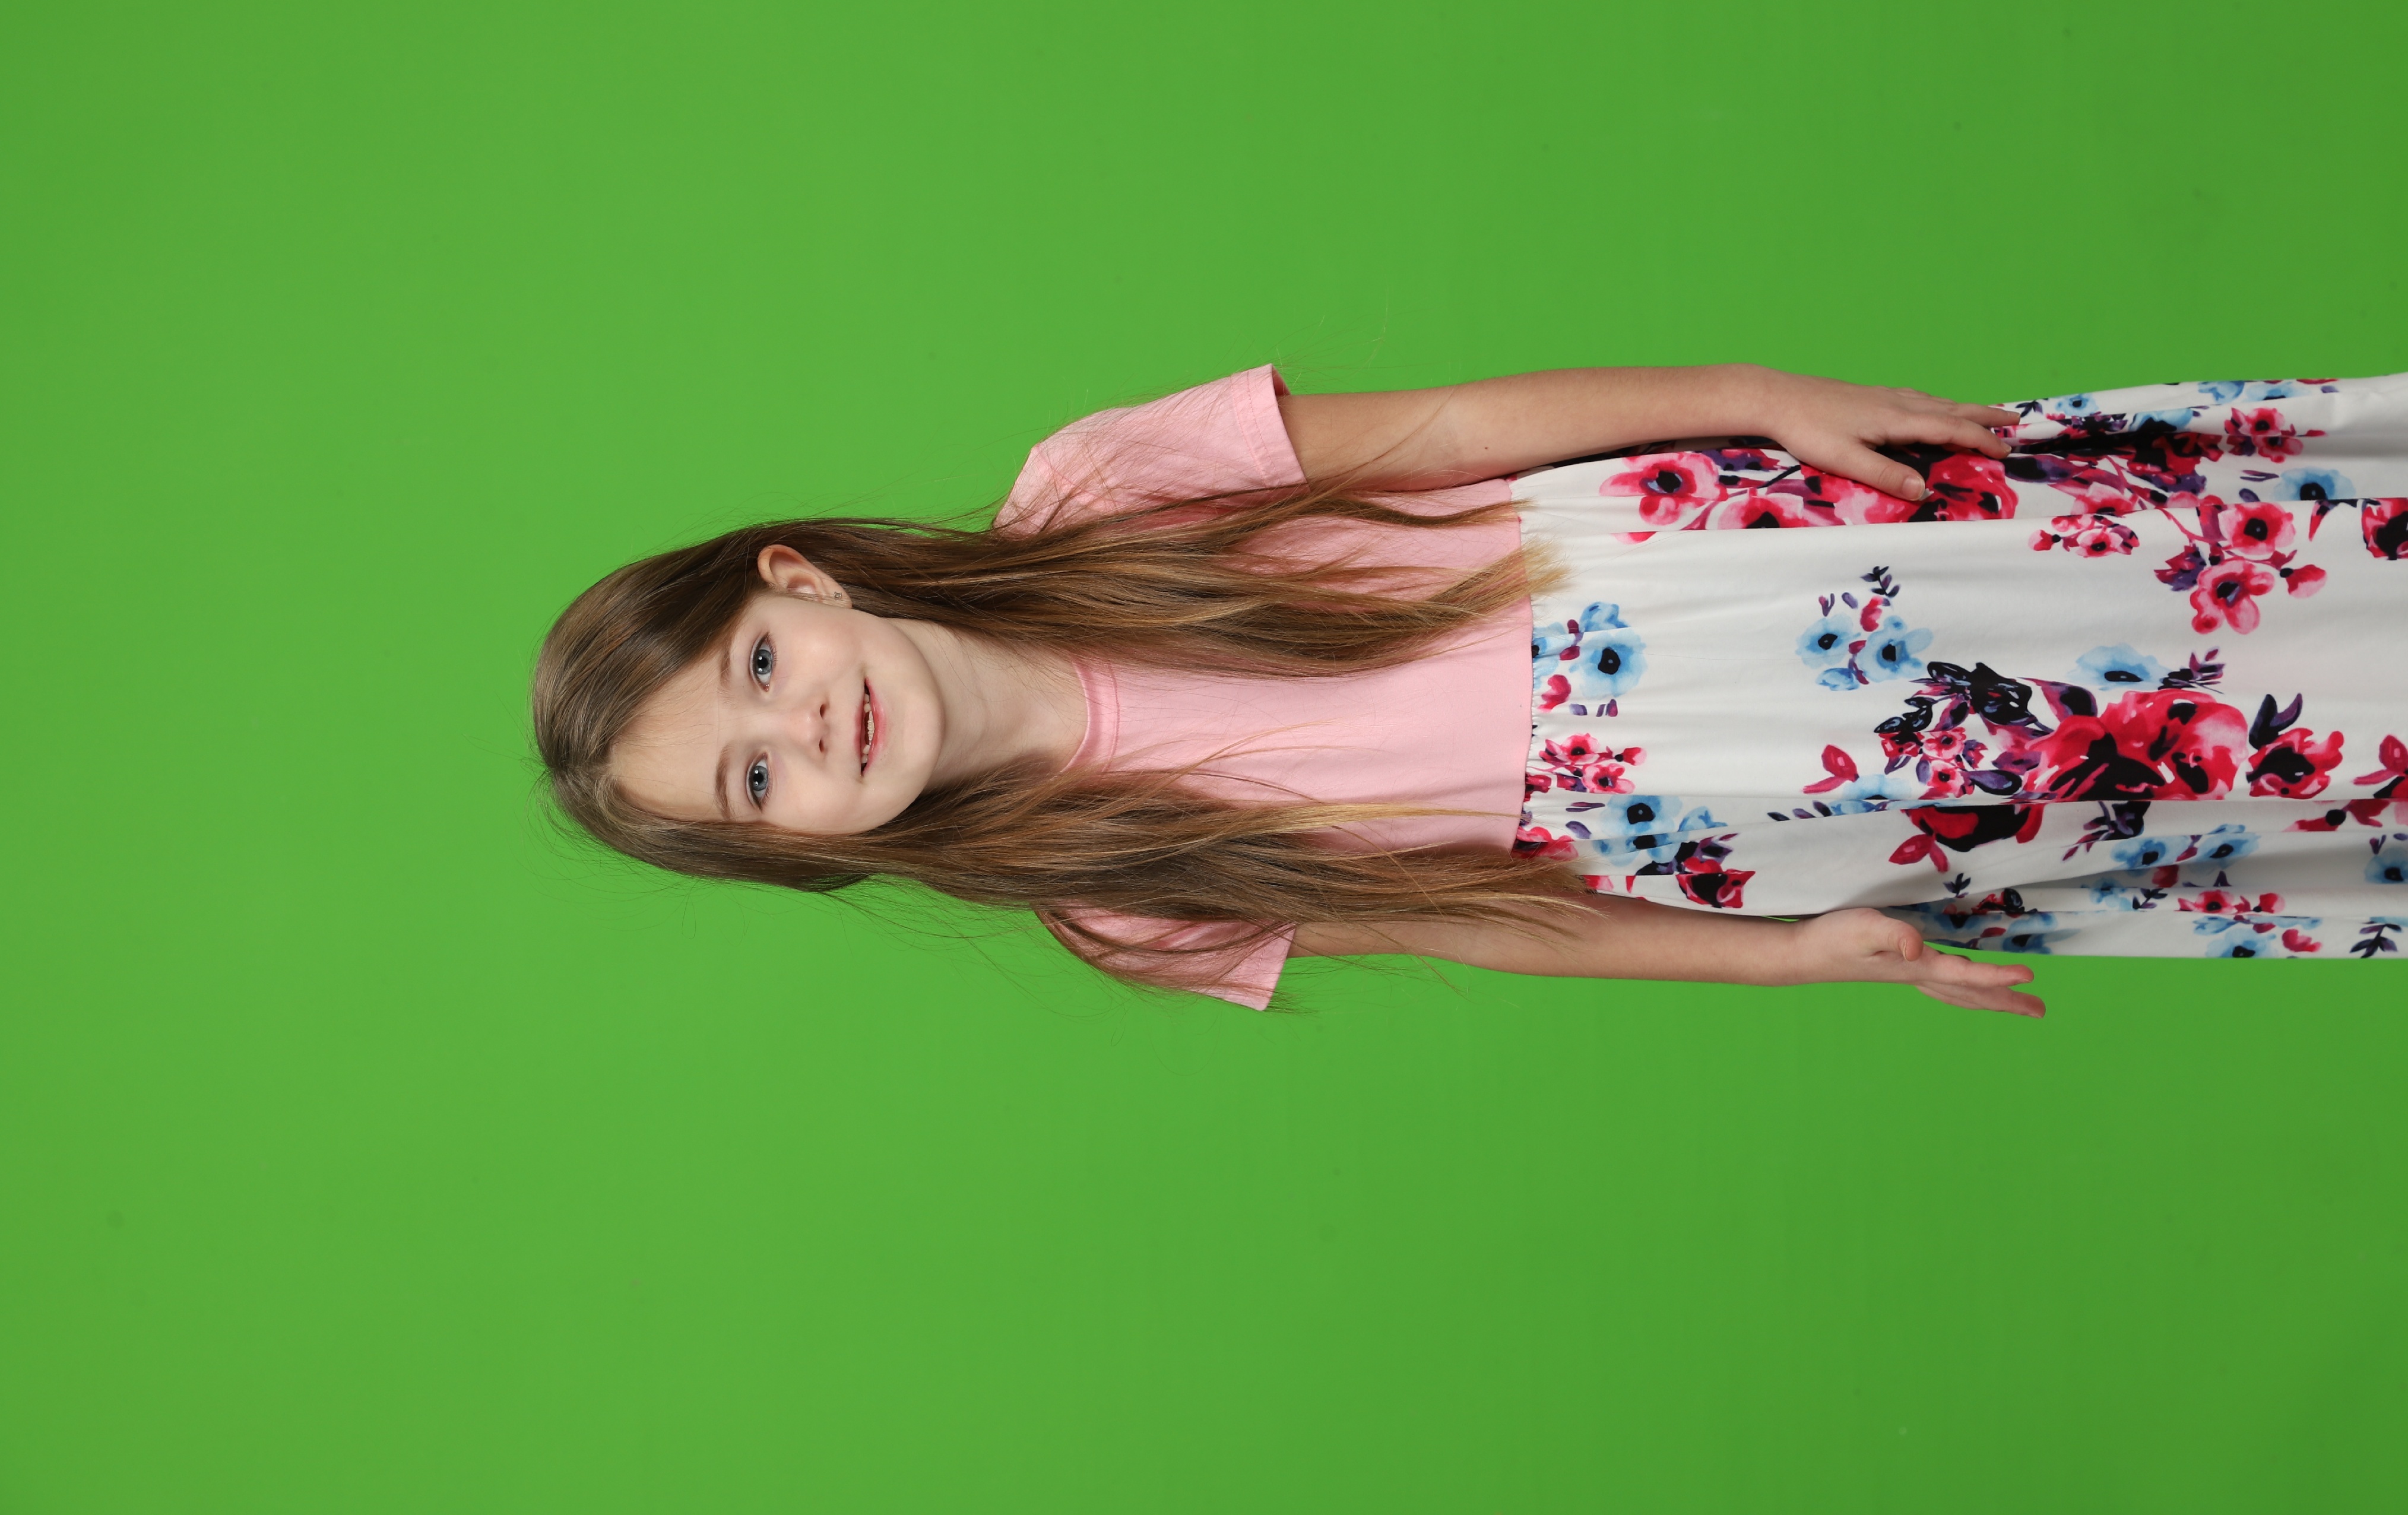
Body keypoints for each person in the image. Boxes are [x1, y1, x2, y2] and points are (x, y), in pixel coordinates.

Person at [532, 363, 2408, 1019]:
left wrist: (1749, 393)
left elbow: (1451, 431)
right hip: (1746, 798)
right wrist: (1782, 960)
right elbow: (1489, 923)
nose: (805, 729)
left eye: (760, 672)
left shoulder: (1096, 487)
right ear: (805, 852)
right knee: (2228, 765)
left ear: (799, 577)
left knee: (2242, 596)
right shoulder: (1119, 901)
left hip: (1738, 572)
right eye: (758, 782)